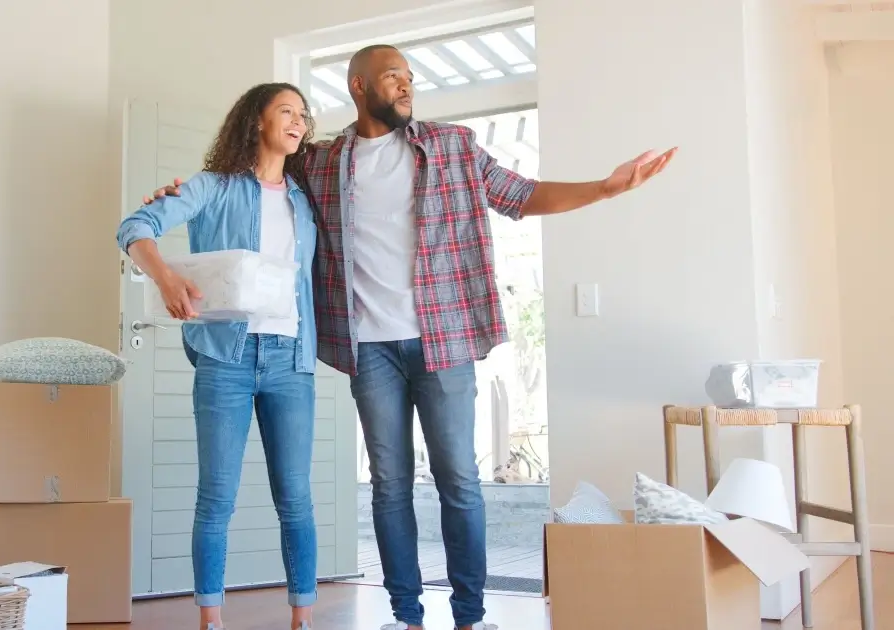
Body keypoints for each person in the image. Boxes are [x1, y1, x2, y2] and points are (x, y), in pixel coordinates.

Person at [144, 45, 675, 630]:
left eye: (409, 78)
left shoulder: (453, 146)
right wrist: (171, 202)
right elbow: (255, 183)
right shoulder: (321, 162)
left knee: (460, 482)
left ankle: (470, 617)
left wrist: (604, 188)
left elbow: (520, 195)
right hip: (369, 349)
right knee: (390, 487)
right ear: (359, 85)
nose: (405, 86)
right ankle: (405, 616)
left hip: (442, 340)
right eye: (392, 76)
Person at [116, 82, 320, 630]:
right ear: (256, 121)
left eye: (304, 115)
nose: (299, 122)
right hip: (225, 359)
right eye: (286, 112)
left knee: (296, 498)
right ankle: (211, 618)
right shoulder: (212, 186)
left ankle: (302, 616)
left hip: (291, 359)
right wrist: (165, 279)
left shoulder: (306, 199)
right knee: (216, 497)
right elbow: (134, 227)